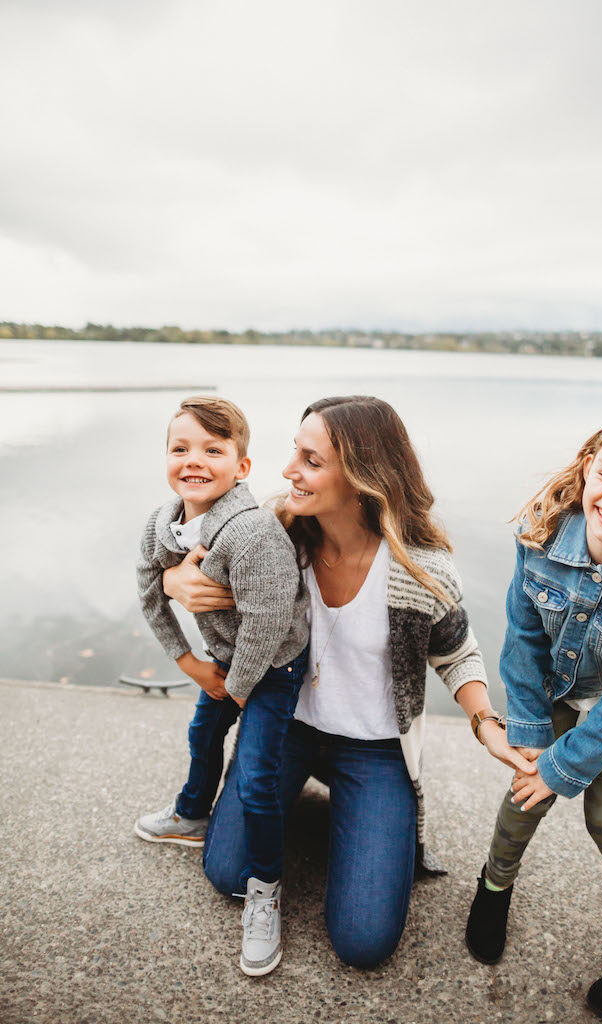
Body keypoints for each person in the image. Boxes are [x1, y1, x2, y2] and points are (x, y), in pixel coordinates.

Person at [162, 395, 536, 971]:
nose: (288, 470)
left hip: (374, 749)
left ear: (363, 475)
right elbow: (186, 541)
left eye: (311, 460)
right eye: (295, 451)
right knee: (227, 874)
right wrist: (175, 579)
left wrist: (486, 722)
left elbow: (457, 652)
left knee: (363, 944)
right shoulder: (276, 531)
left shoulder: (419, 568)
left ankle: (356, 813)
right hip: (287, 727)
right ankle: (307, 799)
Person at [465, 409, 602, 1023]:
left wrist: (567, 766)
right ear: (588, 469)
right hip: (550, 694)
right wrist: (534, 736)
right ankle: (493, 888)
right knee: (523, 797)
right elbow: (523, 642)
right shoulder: (538, 539)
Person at [134, 395, 309, 977]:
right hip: (222, 662)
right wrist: (187, 661)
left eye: (213, 449)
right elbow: (149, 593)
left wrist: (235, 687)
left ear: (242, 467)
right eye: (180, 448)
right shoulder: (164, 524)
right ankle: (192, 813)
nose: (194, 461)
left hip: (273, 667)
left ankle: (265, 889)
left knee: (257, 777)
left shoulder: (253, 530)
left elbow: (268, 621)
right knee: (201, 736)